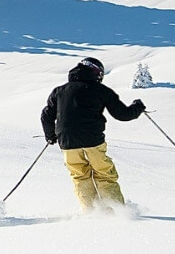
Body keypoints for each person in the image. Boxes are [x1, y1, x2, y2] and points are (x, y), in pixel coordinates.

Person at [40, 56, 145, 212]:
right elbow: (123, 114)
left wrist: (51, 136)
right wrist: (138, 107)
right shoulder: (101, 90)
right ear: (97, 73)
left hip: (67, 142)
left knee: (80, 176)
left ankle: (91, 211)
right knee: (104, 173)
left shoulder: (59, 91)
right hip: (92, 140)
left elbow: (46, 115)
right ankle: (116, 210)